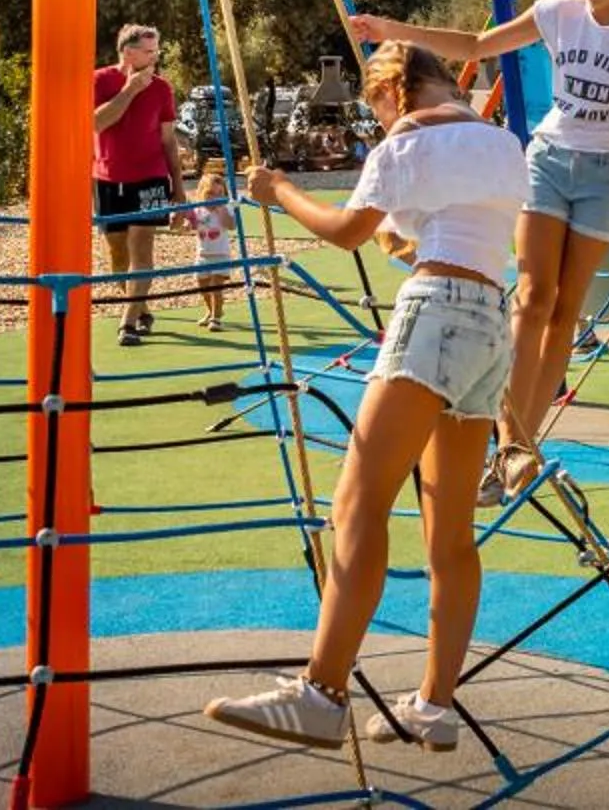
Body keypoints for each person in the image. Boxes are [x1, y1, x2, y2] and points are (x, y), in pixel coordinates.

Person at [202, 40, 527, 752]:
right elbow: (465, 230)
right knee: (450, 537)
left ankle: (322, 691)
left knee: (358, 501)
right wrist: (408, 235)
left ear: (392, 95)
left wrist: (277, 190)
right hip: (488, 325)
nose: (379, 125)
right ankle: (434, 704)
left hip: (437, 312)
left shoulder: (403, 145)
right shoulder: (505, 146)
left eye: (376, 110)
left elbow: (349, 232)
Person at [345, 0, 609, 505]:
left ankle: (520, 446)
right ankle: (508, 442)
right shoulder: (557, 16)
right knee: (532, 297)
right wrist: (393, 30)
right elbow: (478, 46)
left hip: (608, 175)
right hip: (550, 160)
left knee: (566, 311)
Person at [92, 24, 185, 346]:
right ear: (128, 52)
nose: (156, 55)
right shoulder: (100, 80)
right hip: (107, 178)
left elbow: (169, 141)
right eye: (149, 50)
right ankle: (141, 308)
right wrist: (130, 90)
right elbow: (96, 123)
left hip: (151, 177)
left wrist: (179, 189)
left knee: (142, 250)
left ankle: (127, 324)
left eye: (156, 49)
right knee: (117, 258)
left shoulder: (162, 89)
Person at [179, 164, 237, 331]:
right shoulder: (198, 210)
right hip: (203, 255)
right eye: (210, 194)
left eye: (219, 194)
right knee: (202, 286)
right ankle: (211, 311)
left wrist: (222, 211)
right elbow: (192, 225)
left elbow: (231, 226)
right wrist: (186, 225)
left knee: (216, 288)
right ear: (201, 194)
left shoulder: (225, 209)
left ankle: (216, 318)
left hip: (221, 254)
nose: (214, 198)